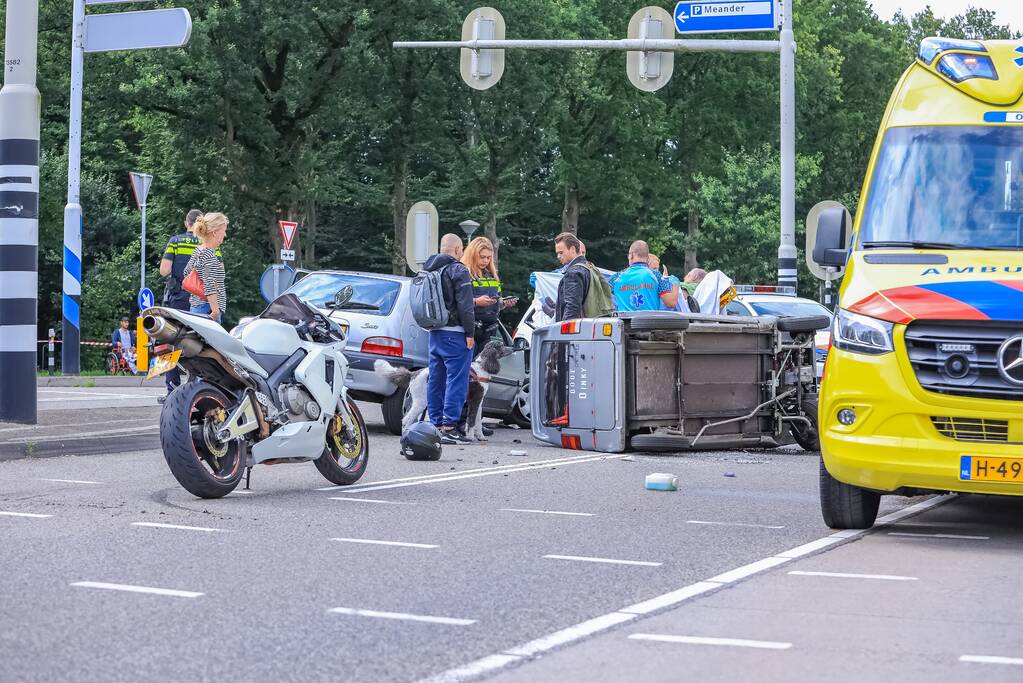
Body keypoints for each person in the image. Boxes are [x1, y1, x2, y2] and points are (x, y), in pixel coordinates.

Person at [422, 233, 476, 445]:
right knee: (457, 379)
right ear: (457, 250)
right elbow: (465, 305)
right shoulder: (458, 269)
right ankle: (450, 427)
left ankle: (434, 424)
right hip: (455, 333)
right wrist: (470, 333)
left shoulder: (429, 268)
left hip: (435, 331)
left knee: (435, 378)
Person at [158, 209, 209, 401]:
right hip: (202, 301)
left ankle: (171, 390)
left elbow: (164, 271)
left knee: (171, 342)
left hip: (179, 299)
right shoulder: (208, 243)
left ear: (185, 222)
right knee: (200, 344)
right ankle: (198, 386)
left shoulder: (176, 242)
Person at [462, 236, 517, 356]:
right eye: (482, 257)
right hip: (470, 330)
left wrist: (503, 303)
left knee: (483, 372)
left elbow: (497, 301)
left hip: (489, 332)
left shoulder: (492, 276)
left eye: (488, 257)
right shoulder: (464, 274)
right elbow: (458, 302)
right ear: (473, 255)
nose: (486, 261)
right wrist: (477, 301)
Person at [183, 212, 229, 323]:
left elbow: (186, 273)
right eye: (224, 230)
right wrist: (215, 311)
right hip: (208, 309)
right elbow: (209, 284)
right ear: (215, 232)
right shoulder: (209, 254)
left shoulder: (199, 250)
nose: (225, 234)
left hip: (196, 306)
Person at [609, 240, 679, 312]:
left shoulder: (615, 278)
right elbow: (671, 303)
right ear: (648, 258)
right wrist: (675, 282)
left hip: (625, 322)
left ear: (631, 255)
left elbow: (603, 296)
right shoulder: (656, 275)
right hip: (648, 322)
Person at [553, 232, 591, 321]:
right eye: (557, 253)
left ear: (573, 249)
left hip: (575, 330)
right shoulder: (589, 267)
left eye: (561, 252)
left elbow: (572, 308)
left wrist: (563, 331)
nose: (558, 256)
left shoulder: (573, 273)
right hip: (589, 325)